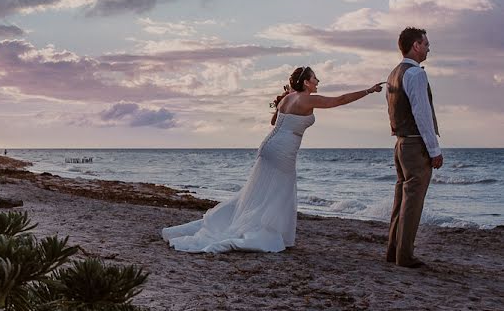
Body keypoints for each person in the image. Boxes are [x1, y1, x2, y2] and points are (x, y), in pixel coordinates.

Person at [162, 67, 383, 253]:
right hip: (282, 151)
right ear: (306, 82)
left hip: (269, 146)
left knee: (260, 192)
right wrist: (369, 90)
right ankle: (263, 231)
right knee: (277, 192)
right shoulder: (306, 99)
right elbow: (340, 100)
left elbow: (273, 122)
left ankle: (258, 227)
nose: (318, 81)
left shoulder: (287, 98)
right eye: (315, 78)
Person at [386, 27, 442, 268]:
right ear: (415, 46)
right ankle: (405, 257)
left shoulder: (393, 74)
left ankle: (393, 252)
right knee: (413, 202)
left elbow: (392, 108)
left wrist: (398, 133)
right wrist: (434, 150)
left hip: (400, 143)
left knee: (401, 200)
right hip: (415, 143)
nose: (429, 47)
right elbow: (422, 113)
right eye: (426, 43)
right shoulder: (416, 74)